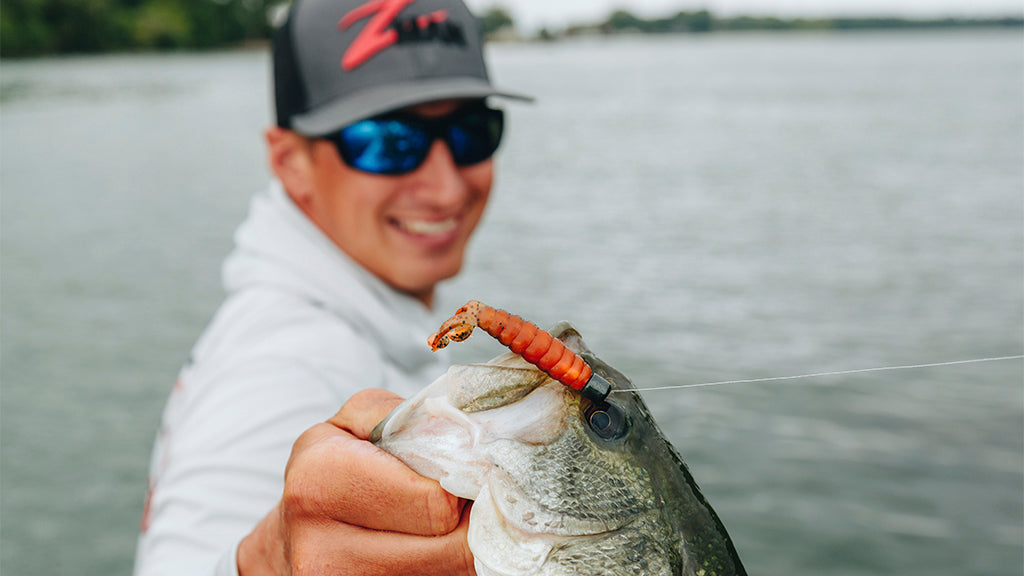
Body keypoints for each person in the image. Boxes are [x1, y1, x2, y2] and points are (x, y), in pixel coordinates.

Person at [132, 0, 529, 573]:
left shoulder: (347, 312)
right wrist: (270, 559)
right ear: (290, 161)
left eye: (473, 132)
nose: (445, 188)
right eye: (389, 141)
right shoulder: (289, 361)